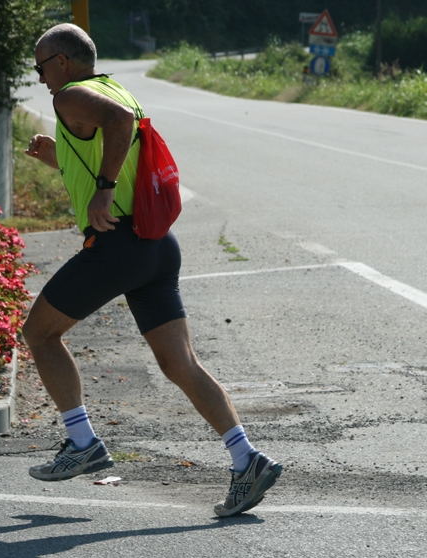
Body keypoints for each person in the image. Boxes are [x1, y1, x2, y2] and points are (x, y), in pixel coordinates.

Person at [21, 23, 281, 517]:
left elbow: (117, 125)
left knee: (39, 333)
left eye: (40, 67)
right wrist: (61, 157)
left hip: (117, 246)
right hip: (156, 244)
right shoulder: (115, 88)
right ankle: (246, 459)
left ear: (62, 62)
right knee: (181, 364)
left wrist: (102, 191)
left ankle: (82, 442)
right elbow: (116, 140)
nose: (40, 78)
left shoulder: (71, 96)